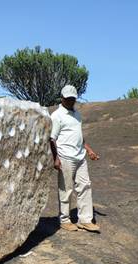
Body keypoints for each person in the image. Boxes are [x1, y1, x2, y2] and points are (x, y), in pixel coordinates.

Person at [49, 85, 100, 232]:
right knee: (66, 189)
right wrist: (56, 158)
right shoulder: (57, 116)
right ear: (62, 98)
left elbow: (79, 136)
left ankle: (85, 220)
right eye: (68, 99)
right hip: (65, 157)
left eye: (73, 99)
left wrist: (89, 150)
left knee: (85, 186)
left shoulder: (77, 114)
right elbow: (52, 139)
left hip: (80, 157)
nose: (71, 101)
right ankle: (64, 220)